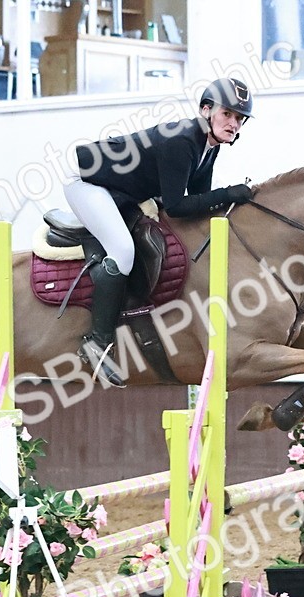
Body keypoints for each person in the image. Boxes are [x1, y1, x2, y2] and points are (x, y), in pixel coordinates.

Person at [64, 77, 256, 386]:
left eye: (240, 118)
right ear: (206, 110)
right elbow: (178, 205)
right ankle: (97, 342)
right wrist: (229, 193)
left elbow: (197, 203)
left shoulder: (209, 145)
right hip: (88, 183)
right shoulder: (183, 141)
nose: (234, 123)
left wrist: (228, 201)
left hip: (122, 189)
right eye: (227, 114)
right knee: (123, 252)